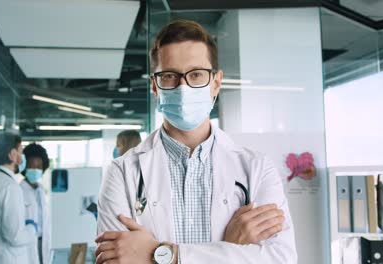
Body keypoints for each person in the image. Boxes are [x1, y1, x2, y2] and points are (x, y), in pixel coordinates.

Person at [95, 20, 297, 264]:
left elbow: (279, 259)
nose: (183, 87)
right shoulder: (122, 173)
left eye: (196, 74)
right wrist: (231, 248)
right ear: (154, 86)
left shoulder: (257, 169)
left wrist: (162, 255)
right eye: (169, 76)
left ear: (216, 83)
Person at [0, 132, 38, 264]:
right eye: (21, 152)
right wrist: (32, 228)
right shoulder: (10, 187)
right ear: (12, 154)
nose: (22, 158)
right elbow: (15, 237)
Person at [20, 143, 51, 264]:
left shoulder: (41, 191)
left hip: (43, 243)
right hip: (27, 245)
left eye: (39, 166)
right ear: (24, 167)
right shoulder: (18, 191)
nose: (35, 170)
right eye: (31, 166)